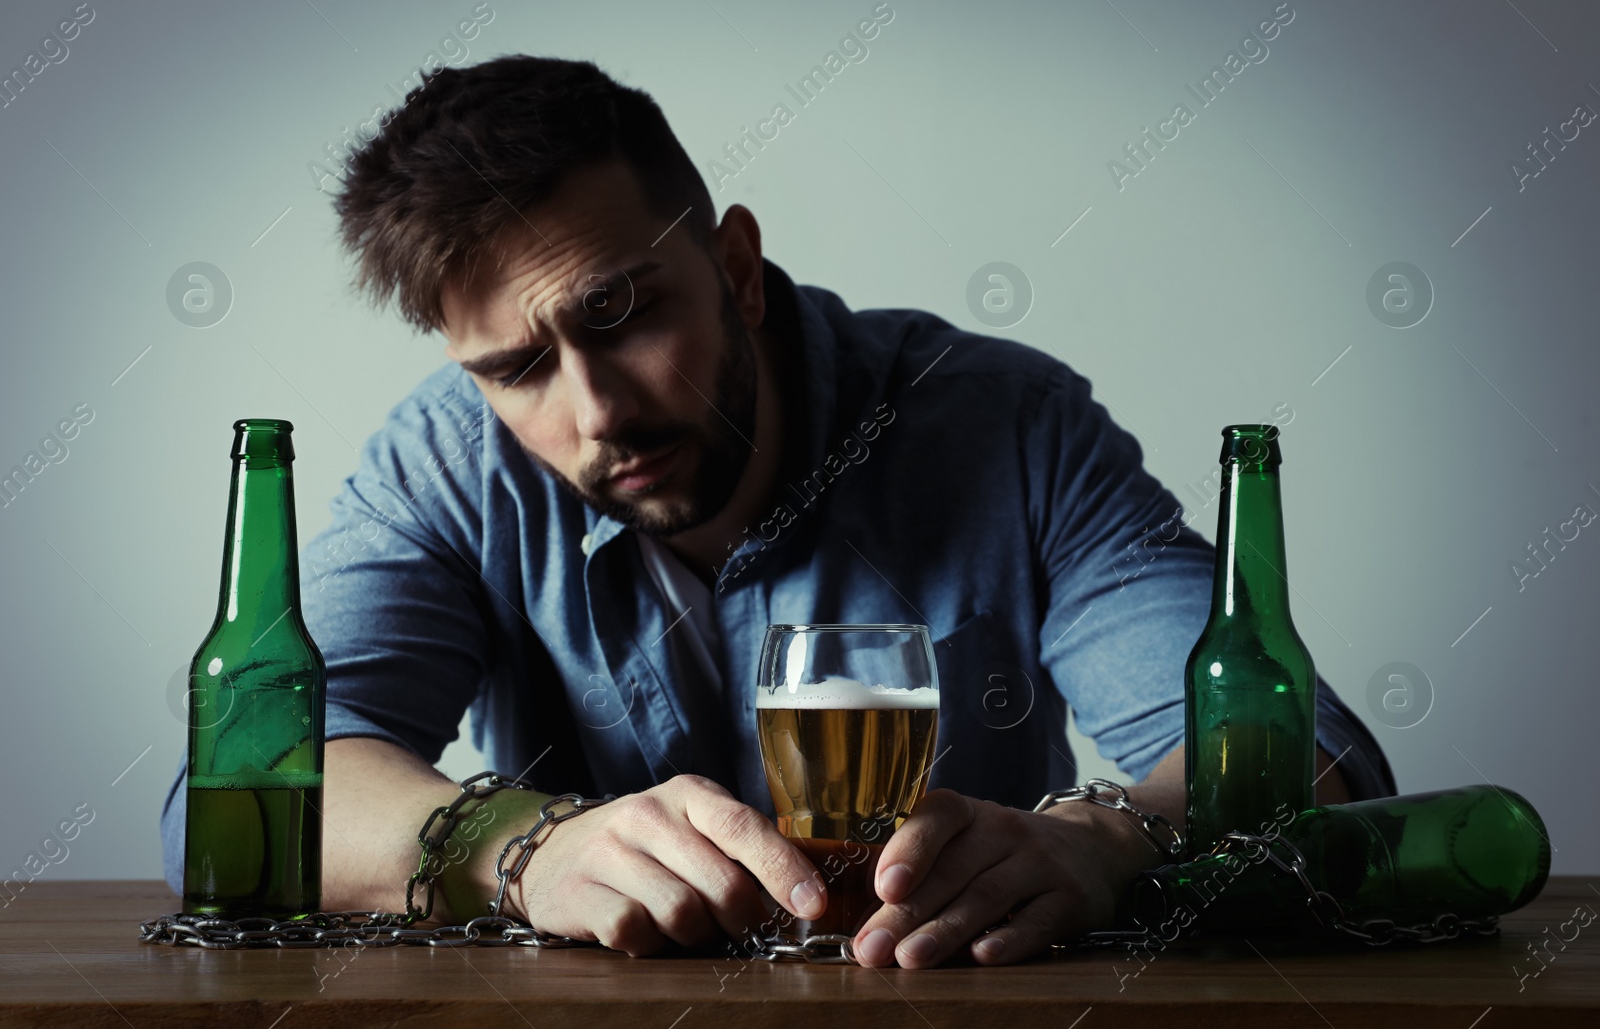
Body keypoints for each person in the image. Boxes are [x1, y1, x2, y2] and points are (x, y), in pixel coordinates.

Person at [159, 54, 1394, 968]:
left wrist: (1105, 843)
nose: (593, 411)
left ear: (736, 268)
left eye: (622, 315)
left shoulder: (1004, 423)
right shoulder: (443, 461)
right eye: (516, 369)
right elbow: (252, 790)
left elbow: (1305, 757)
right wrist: (519, 847)